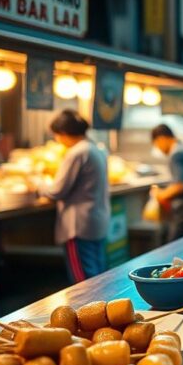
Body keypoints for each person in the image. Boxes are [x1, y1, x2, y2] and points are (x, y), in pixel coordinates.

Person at [39, 109, 110, 282]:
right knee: (97, 274)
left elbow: (57, 191)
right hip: (96, 221)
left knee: (83, 281)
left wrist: (38, 185)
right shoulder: (95, 148)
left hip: (78, 226)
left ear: (63, 133)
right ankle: (101, 307)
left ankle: (89, 309)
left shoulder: (77, 152)